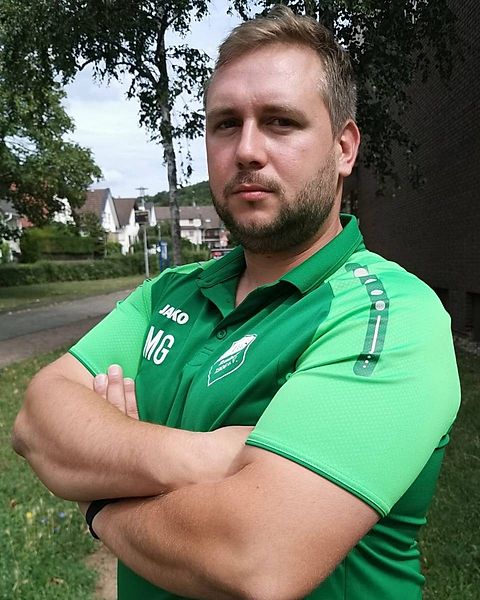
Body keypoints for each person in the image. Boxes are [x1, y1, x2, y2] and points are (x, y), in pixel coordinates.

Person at [12, 6, 460, 599]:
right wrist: (204, 458)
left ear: (344, 148)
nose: (247, 149)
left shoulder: (391, 314)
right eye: (226, 124)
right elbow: (38, 419)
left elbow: (254, 558)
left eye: (280, 122)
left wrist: (102, 499)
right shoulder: (169, 291)